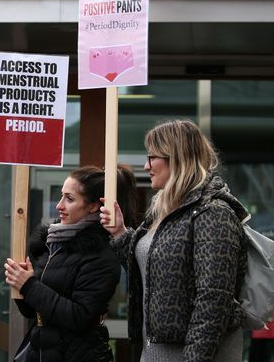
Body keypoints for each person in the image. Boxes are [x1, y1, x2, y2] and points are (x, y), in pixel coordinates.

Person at [100, 119, 248, 362]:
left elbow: (214, 300)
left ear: (176, 157)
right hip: (156, 353)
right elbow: (156, 274)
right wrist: (119, 234)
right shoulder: (165, 211)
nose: (146, 165)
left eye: (152, 157)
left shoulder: (214, 212)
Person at [5, 166, 135, 362]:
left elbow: (80, 317)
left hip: (78, 353)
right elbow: (34, 311)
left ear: (92, 206)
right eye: (61, 196)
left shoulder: (101, 253)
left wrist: (29, 285)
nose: (59, 205)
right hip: (42, 350)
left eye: (69, 198)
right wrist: (20, 284)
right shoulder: (53, 243)